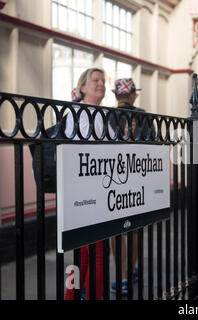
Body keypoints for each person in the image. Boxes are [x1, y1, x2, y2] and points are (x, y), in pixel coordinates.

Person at [64, 67, 108, 300]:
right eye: (95, 80)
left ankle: (74, 296)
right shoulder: (77, 112)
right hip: (86, 189)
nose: (101, 83)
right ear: (82, 87)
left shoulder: (101, 114)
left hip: (97, 188)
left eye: (103, 80)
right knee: (94, 250)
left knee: (86, 250)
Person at [110, 78, 143, 295]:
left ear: (115, 95)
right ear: (133, 95)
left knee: (116, 230)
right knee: (135, 227)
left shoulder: (107, 115)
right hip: (137, 176)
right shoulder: (143, 116)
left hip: (112, 177)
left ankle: (122, 277)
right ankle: (131, 271)